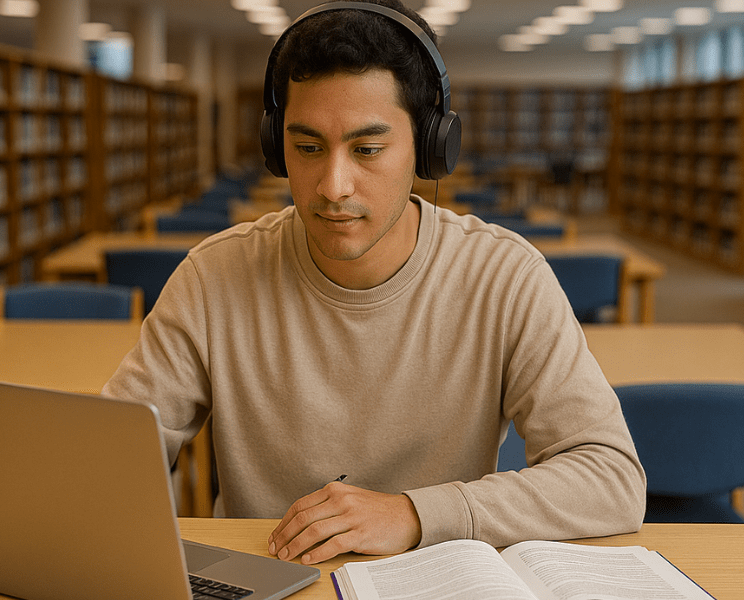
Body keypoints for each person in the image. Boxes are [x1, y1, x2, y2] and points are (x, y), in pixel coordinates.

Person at [101, 0, 645, 566]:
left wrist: (415, 514)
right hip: (270, 577)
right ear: (274, 143)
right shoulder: (213, 278)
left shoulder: (505, 278)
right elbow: (111, 457)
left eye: (367, 149)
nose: (333, 186)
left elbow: (609, 478)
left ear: (430, 148)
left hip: (437, 578)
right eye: (307, 148)